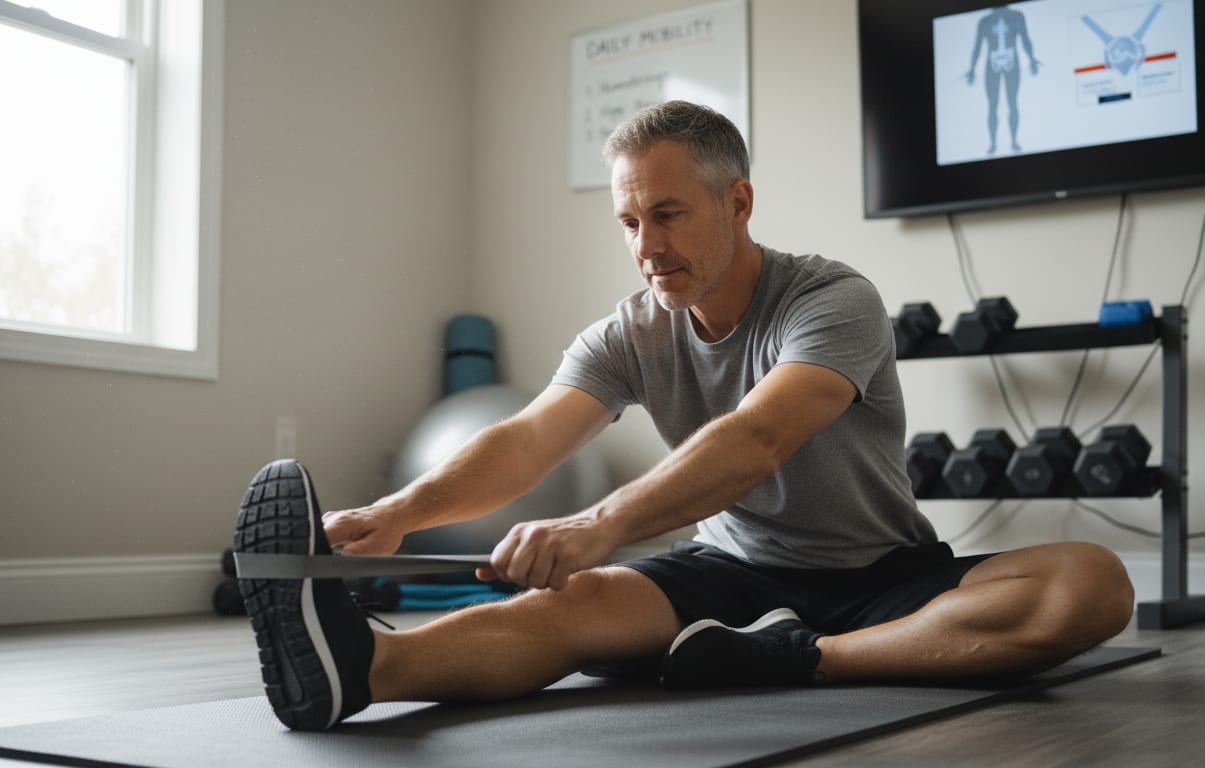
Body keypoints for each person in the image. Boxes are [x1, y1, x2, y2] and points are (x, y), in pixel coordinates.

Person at [233, 100, 1134, 732]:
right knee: (571, 604)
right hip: (729, 580)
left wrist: (601, 522)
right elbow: (526, 440)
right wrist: (399, 516)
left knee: (1091, 583)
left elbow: (759, 436)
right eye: (629, 222)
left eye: (667, 214)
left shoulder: (831, 301)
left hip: (879, 575)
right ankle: (361, 671)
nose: (646, 248)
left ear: (737, 202)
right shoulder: (630, 331)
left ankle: (799, 658)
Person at [965, 5, 1040, 155]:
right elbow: (977, 47)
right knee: (993, 106)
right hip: (992, 64)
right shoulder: (984, 21)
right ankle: (993, 144)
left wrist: (1032, 59)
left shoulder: (1016, 16)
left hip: (1012, 63)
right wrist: (972, 69)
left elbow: (1025, 39)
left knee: (1012, 102)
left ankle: (1014, 141)